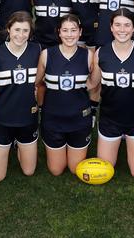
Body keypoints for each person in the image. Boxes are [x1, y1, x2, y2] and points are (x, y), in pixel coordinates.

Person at [89, 8, 134, 178]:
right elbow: (93, 84)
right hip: (110, 119)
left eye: (127, 25)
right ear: (111, 27)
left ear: (133, 28)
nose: (122, 30)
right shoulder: (101, 53)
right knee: (106, 170)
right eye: (117, 25)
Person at [35, 14, 94, 175]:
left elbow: (94, 84)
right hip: (53, 119)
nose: (69, 34)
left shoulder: (89, 55)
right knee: (56, 170)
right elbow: (37, 82)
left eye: (73, 30)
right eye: (65, 30)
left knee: (76, 170)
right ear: (59, 32)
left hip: (79, 119)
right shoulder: (47, 54)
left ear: (80, 32)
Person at [0, 11, 41, 181]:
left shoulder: (37, 50)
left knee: (29, 171)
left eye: (25, 31)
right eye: (17, 29)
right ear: (9, 29)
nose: (21, 35)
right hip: (3, 118)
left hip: (28, 117)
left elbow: (41, 80)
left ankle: (20, 145)